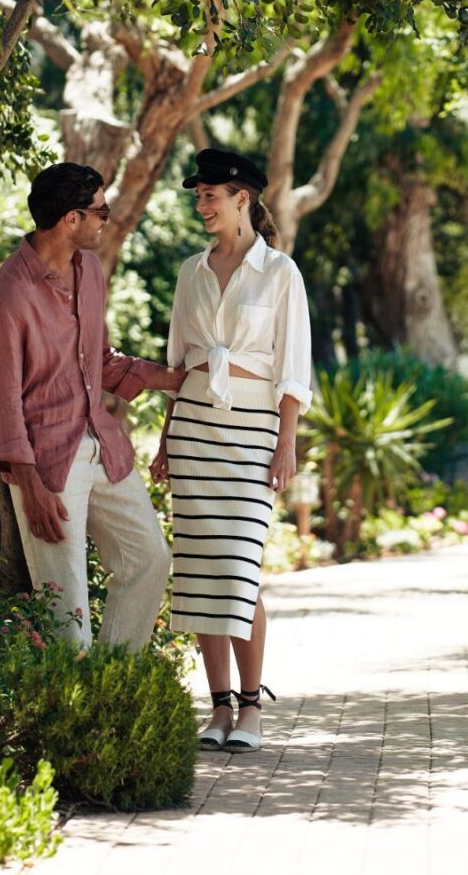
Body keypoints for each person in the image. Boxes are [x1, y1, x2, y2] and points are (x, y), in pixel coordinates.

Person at [0, 162, 185, 649]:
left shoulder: (90, 271)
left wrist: (169, 378)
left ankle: (113, 689)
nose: (105, 220)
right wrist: (31, 486)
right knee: (65, 612)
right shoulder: (7, 296)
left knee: (148, 558)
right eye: (100, 211)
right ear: (71, 218)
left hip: (102, 445)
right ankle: (79, 714)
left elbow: (102, 361)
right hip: (47, 463)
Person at [150, 147, 312, 753]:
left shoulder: (280, 273)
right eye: (197, 196)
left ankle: (251, 708)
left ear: (242, 198)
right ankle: (216, 708)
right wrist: (166, 439)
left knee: (239, 571)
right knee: (197, 571)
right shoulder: (191, 272)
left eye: (210, 196)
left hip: (253, 430)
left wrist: (286, 443)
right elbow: (176, 364)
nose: (201, 206)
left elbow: (294, 368)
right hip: (193, 427)